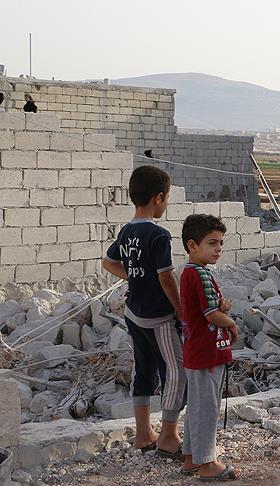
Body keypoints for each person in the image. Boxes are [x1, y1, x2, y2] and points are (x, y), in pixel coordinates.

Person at [102, 166, 186, 458]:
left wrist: (134, 277)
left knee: (144, 369)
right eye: (167, 198)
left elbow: (108, 262)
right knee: (176, 372)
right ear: (159, 198)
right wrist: (181, 310)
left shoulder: (127, 231)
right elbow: (166, 277)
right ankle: (169, 436)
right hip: (158, 317)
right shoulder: (159, 235)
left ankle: (143, 434)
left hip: (133, 313)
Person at [179, 214, 239, 480]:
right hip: (207, 352)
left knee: (197, 405)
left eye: (221, 243)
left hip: (197, 351)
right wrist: (232, 324)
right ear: (193, 245)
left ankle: (191, 457)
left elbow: (209, 305)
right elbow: (210, 315)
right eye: (212, 243)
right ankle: (207, 463)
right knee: (207, 408)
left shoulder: (191, 273)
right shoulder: (200, 273)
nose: (218, 249)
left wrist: (220, 306)